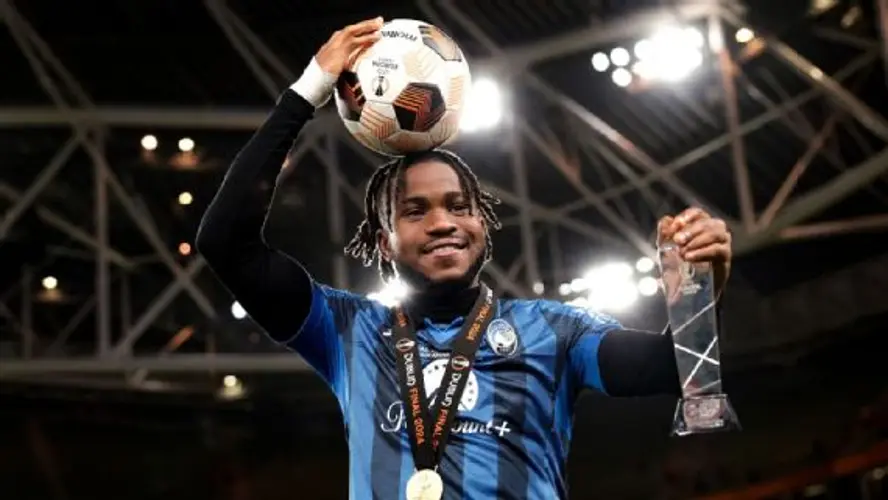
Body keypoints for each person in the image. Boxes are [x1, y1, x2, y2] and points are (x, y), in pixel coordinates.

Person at [196, 17, 734, 500]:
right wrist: (308, 90)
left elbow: (673, 368)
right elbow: (224, 241)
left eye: (459, 206)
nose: (443, 223)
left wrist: (696, 289)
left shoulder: (555, 331)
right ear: (384, 242)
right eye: (415, 211)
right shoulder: (345, 331)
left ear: (482, 224)